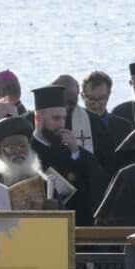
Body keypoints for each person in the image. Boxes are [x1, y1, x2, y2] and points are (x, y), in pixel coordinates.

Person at [28, 84, 103, 224]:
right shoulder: (27, 152)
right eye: (56, 119)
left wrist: (76, 152)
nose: (62, 124)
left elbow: (95, 182)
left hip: (76, 226)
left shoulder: (70, 149)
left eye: (64, 118)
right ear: (38, 118)